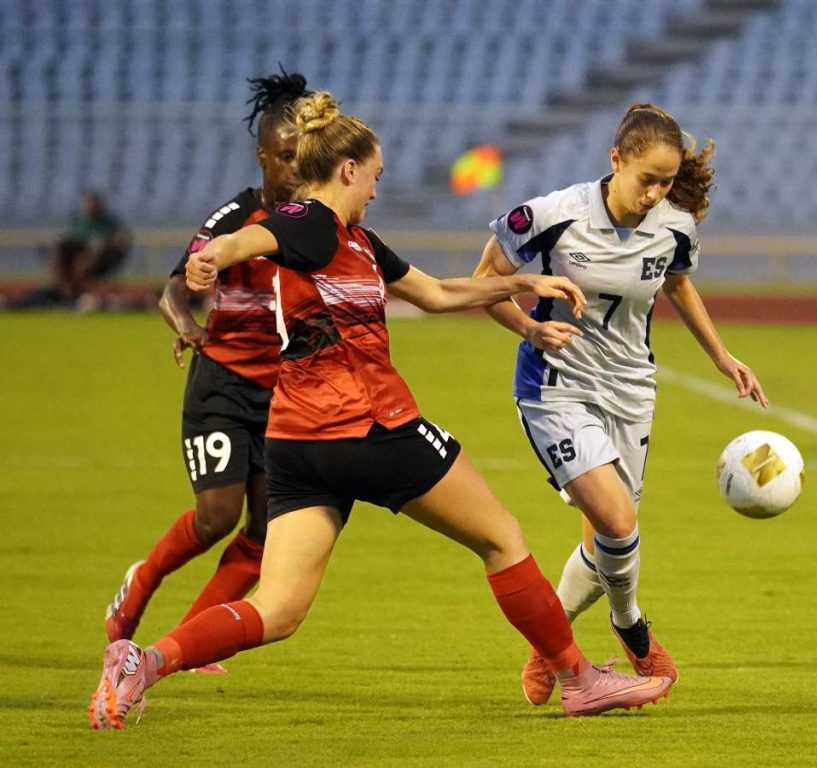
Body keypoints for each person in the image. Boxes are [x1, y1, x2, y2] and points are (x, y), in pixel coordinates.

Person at [88, 91, 672, 729]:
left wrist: (522, 286)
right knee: (502, 538)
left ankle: (144, 663)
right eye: (375, 177)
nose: (376, 189)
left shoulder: (356, 241)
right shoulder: (310, 222)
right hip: (370, 424)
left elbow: (438, 291)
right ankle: (578, 680)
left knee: (278, 609)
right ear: (347, 170)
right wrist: (214, 256)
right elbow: (256, 237)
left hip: (297, 443)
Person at [473, 103, 768, 706]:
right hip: (556, 387)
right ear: (615, 161)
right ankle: (631, 626)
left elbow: (677, 281)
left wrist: (721, 355)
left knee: (606, 536)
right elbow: (485, 281)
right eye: (646, 181)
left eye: (665, 182)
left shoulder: (675, 224)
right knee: (617, 520)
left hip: (633, 388)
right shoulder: (552, 216)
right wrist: (529, 329)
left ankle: (548, 645)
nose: (655, 194)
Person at [103, 69, 311, 671]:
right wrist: (189, 327)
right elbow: (174, 285)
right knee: (217, 517)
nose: (296, 170)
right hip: (222, 385)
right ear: (263, 157)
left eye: (304, 158)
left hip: (282, 398)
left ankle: (193, 639)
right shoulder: (234, 217)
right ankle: (139, 584)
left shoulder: (312, 223)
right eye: (286, 158)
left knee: (269, 526)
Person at [27, 191, 131, 309]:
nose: (90, 206)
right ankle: (66, 293)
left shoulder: (110, 223)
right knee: (60, 259)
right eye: (88, 203)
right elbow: (72, 240)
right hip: (76, 254)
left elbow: (120, 241)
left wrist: (101, 247)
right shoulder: (80, 222)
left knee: (82, 262)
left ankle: (75, 295)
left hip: (101, 258)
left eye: (93, 203)